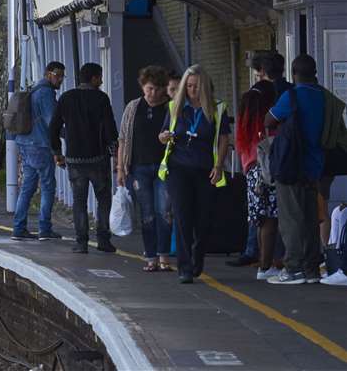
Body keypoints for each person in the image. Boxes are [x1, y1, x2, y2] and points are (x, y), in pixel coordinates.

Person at [158, 64, 232, 283]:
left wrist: (219, 166)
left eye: (196, 86)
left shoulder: (217, 108)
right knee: (182, 217)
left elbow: (223, 138)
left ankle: (197, 256)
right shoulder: (174, 106)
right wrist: (163, 137)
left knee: (203, 220)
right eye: (189, 86)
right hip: (178, 168)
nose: (192, 90)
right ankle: (185, 267)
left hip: (205, 169)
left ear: (205, 87)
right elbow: (163, 133)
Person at [266, 54, 334, 284]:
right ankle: (312, 268)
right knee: (311, 218)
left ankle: (293, 268)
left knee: (291, 219)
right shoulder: (324, 97)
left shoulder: (292, 95)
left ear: (294, 74)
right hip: (315, 165)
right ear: (314, 72)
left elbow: (269, 120)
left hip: (291, 164)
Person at [51, 62, 119, 253]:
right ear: (95, 78)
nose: (102, 81)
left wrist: (57, 153)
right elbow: (110, 129)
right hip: (98, 158)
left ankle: (81, 242)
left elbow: (53, 127)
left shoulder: (66, 98)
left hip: (74, 160)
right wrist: (116, 155)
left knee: (79, 201)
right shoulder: (101, 98)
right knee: (103, 199)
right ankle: (103, 240)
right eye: (100, 77)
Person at [234, 51, 288, 279]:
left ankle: (263, 264)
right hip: (273, 160)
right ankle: (270, 264)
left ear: (262, 72)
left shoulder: (249, 97)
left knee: (260, 218)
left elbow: (241, 136)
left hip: (252, 162)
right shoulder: (282, 94)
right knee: (275, 217)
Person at [118, 65, 173, 271]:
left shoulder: (171, 108)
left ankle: (164, 254)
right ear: (142, 87)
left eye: (158, 89)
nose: (153, 93)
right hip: (139, 167)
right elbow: (123, 138)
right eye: (149, 88)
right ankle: (150, 256)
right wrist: (121, 169)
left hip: (164, 168)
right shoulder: (133, 107)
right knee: (147, 213)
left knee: (164, 211)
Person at [12, 61, 65, 241]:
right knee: (48, 187)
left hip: (25, 142)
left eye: (62, 76)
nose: (60, 79)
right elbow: (53, 122)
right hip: (40, 145)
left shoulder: (34, 89)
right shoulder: (46, 93)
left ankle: (19, 228)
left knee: (27, 187)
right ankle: (45, 228)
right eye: (58, 75)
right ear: (48, 74)